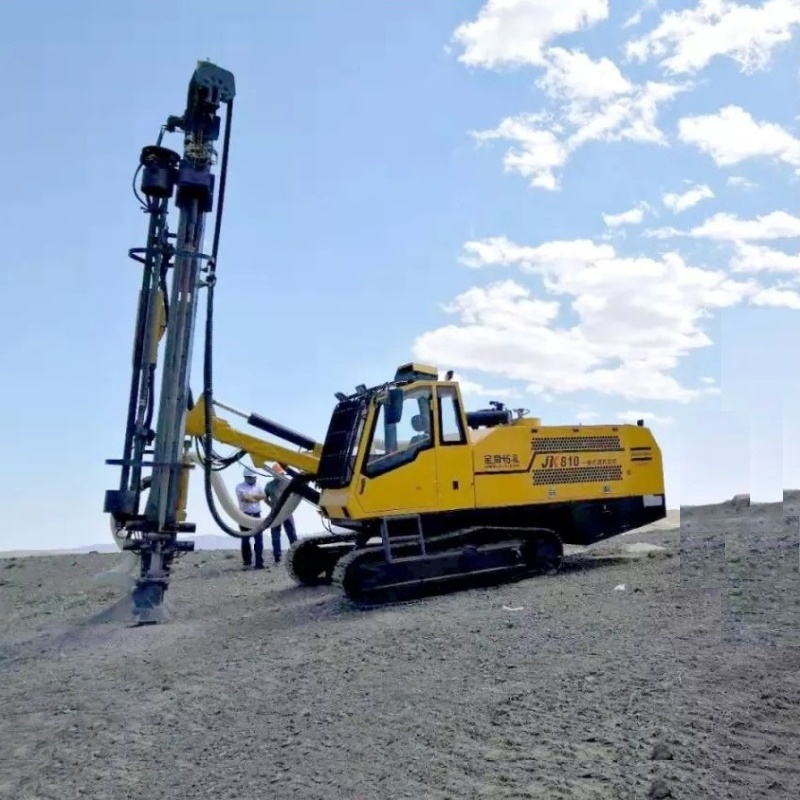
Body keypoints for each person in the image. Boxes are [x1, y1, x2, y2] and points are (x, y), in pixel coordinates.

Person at [263, 464, 297, 564]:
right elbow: (265, 499)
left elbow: (295, 496)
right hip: (275, 514)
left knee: (292, 534)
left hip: (287, 512)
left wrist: (290, 506)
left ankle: (296, 556)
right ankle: (277, 558)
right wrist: (273, 507)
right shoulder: (269, 485)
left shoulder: (287, 482)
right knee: (276, 536)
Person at [234, 467, 266, 570]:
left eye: (254, 478)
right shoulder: (239, 487)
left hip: (257, 515)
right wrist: (254, 498)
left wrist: (250, 498)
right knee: (245, 540)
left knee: (259, 540)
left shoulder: (258, 486)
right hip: (244, 516)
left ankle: (259, 563)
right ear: (245, 477)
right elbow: (244, 498)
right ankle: (247, 562)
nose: (252, 479)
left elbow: (263, 496)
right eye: (250, 478)